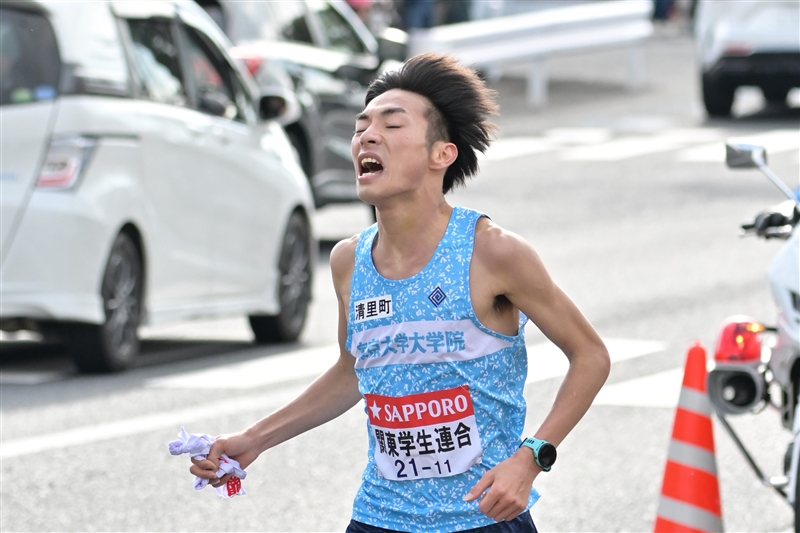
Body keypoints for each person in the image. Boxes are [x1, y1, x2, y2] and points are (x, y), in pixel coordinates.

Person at [188, 53, 611, 533]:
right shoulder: (349, 261)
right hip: (379, 518)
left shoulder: (493, 252)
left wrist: (532, 456)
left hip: (482, 519)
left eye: (392, 125)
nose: (367, 136)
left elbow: (591, 355)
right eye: (361, 126)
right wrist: (255, 439)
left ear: (441, 154)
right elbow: (352, 371)